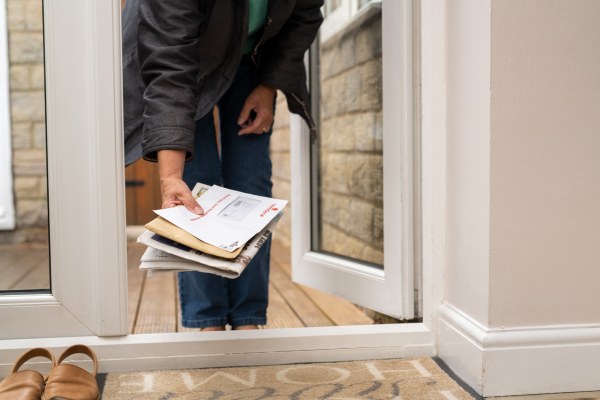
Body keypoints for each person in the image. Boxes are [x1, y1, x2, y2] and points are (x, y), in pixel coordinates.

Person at [121, 0, 323, 330]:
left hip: (252, 59)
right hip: (180, 56)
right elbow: (171, 70)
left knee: (251, 180)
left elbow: (305, 14)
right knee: (194, 184)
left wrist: (268, 85)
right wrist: (171, 176)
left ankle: (248, 317)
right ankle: (207, 319)